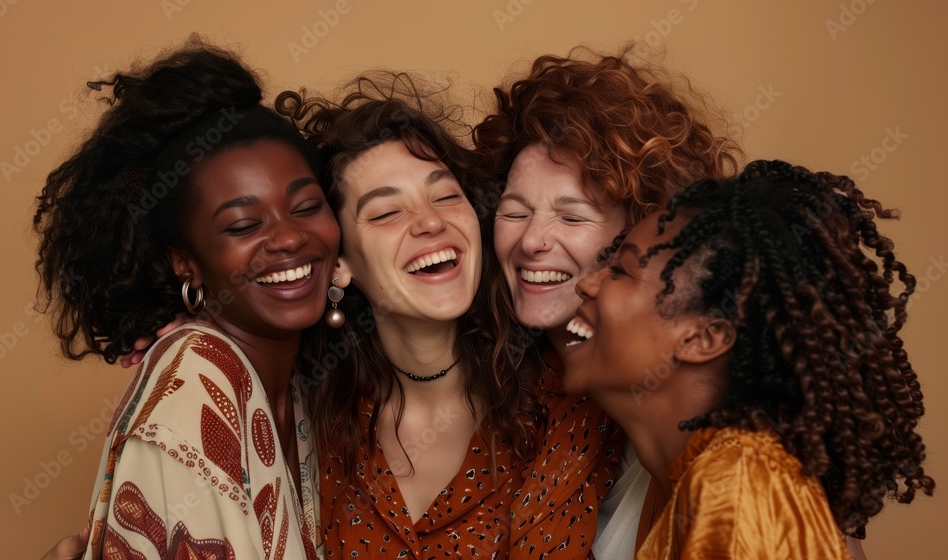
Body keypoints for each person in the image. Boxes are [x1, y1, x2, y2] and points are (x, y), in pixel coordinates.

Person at [277, 76, 622, 559]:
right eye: (385, 213)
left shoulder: (563, 402)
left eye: (445, 197)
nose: (430, 221)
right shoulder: (307, 408)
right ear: (341, 262)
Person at [34, 40, 339, 559]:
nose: (288, 238)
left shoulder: (302, 374)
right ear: (186, 262)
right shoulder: (197, 387)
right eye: (244, 224)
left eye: (307, 207)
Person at [563, 159, 936, 558]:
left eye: (621, 271)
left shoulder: (742, 488)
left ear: (705, 337)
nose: (587, 283)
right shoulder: (700, 480)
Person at [473, 47, 741, 558]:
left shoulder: (714, 429)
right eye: (515, 212)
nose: (532, 241)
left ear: (641, 233)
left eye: (572, 218)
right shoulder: (507, 389)